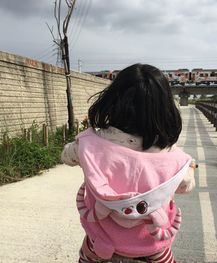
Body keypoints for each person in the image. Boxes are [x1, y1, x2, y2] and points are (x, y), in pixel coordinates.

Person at [61, 63, 196, 262]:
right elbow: (185, 186)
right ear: (165, 108)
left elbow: (66, 156)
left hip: (101, 244)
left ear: (113, 100)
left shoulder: (91, 145)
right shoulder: (173, 156)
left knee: (86, 256)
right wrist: (191, 166)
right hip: (152, 245)